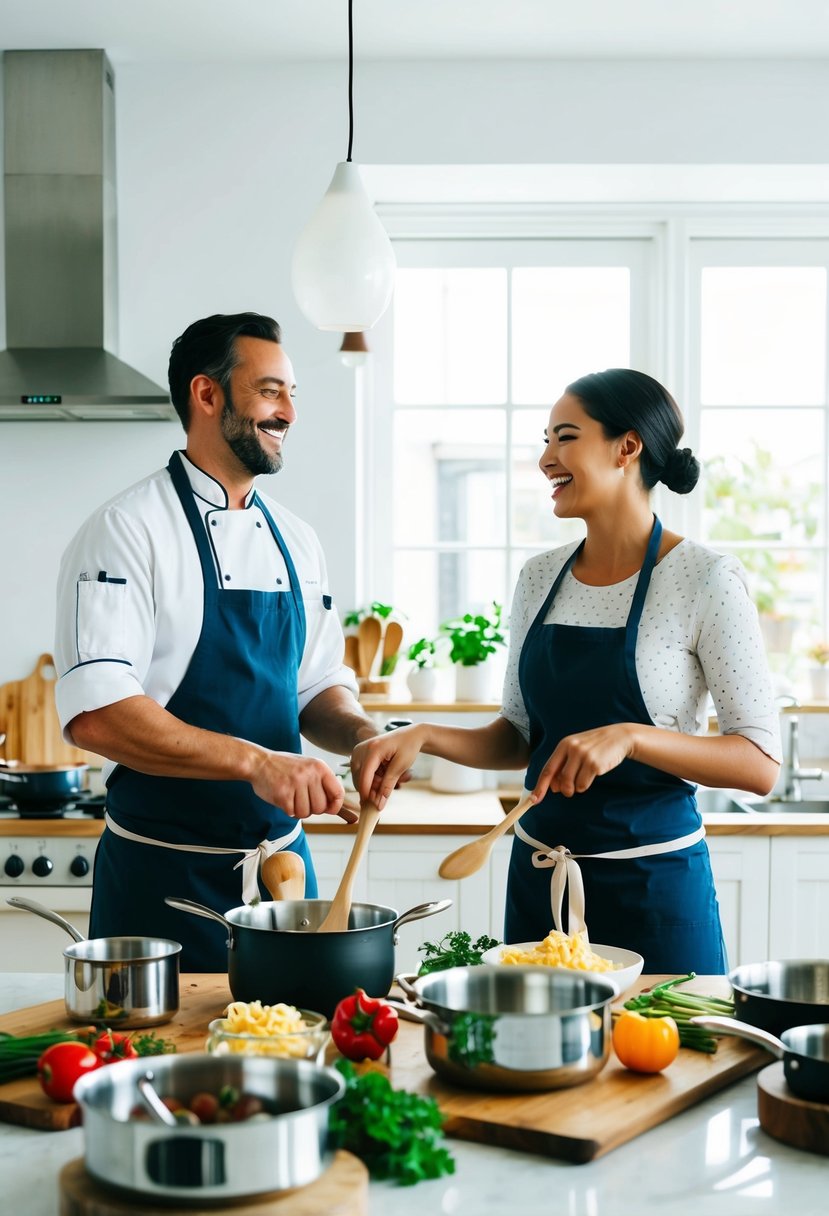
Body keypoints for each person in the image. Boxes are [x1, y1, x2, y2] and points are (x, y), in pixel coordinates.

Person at [351, 368, 782, 973]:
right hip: (540, 884)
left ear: (626, 447)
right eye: (546, 440)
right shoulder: (539, 578)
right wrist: (423, 735)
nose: (545, 458)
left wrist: (631, 737)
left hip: (654, 888)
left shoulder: (704, 579)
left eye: (565, 437)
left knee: (672, 1062)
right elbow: (522, 736)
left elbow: (760, 763)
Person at [55, 312, 380, 971]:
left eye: (292, 394)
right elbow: (98, 715)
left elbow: (315, 686)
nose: (288, 412)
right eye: (269, 391)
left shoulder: (298, 539)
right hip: (161, 885)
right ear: (207, 395)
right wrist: (259, 763)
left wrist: (363, 737)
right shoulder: (125, 530)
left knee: (294, 1055)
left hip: (282, 874)